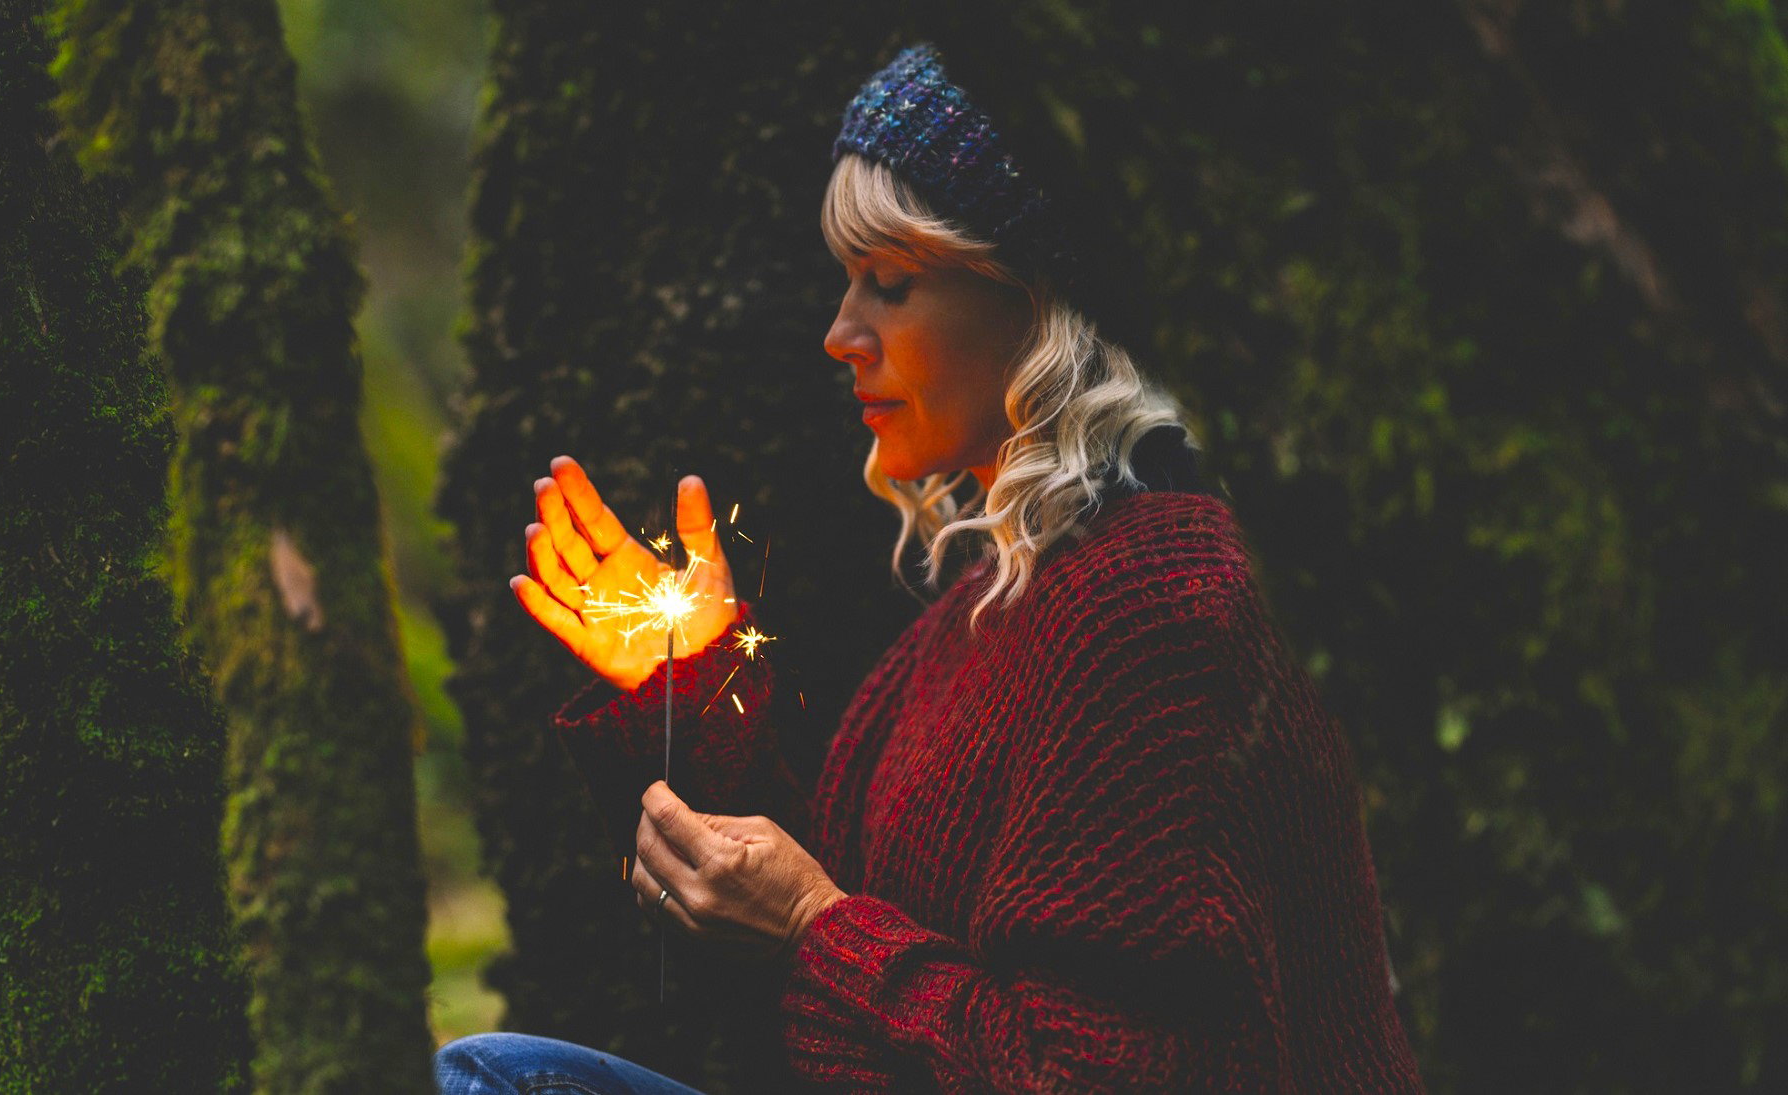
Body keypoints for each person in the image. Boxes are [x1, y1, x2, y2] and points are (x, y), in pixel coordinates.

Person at [437, 42, 1425, 1093]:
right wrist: (692, 685)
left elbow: (1096, 1070)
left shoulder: (1165, 606)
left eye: (890, 284)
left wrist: (813, 929)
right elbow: (858, 919)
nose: (839, 334)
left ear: (1042, 299)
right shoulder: (1007, 592)